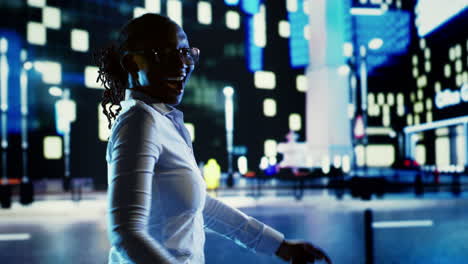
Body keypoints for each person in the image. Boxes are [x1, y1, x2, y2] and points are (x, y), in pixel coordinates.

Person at [96, 13, 332, 264]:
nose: (181, 65)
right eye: (163, 54)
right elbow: (126, 234)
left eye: (186, 53)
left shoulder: (162, 121)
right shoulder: (139, 122)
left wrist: (279, 246)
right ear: (132, 63)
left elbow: (200, 205)